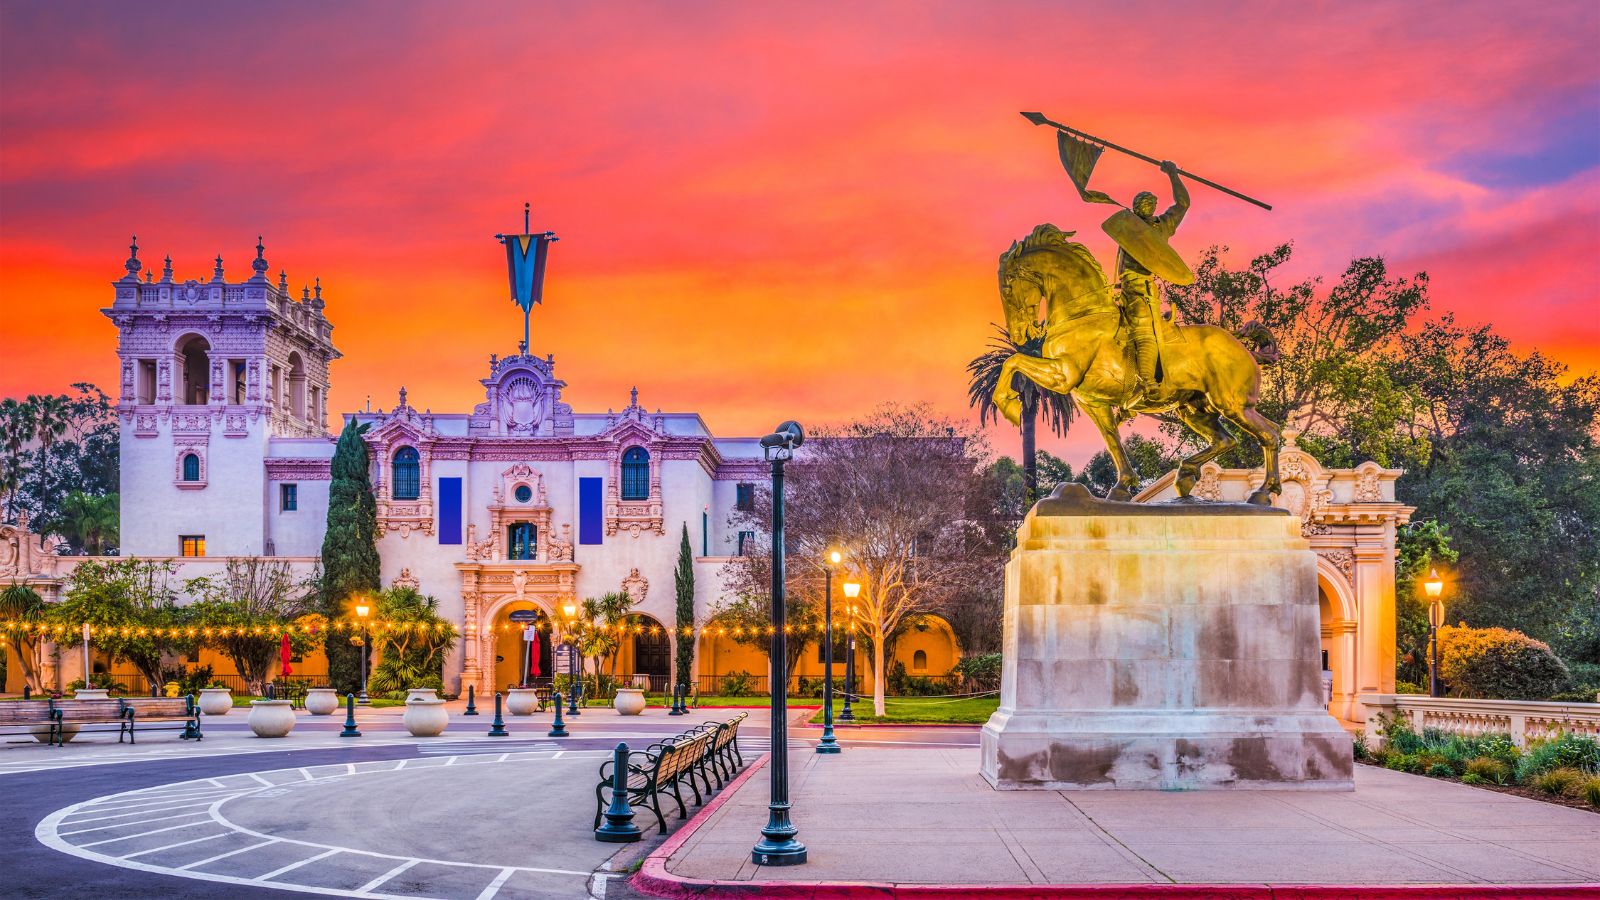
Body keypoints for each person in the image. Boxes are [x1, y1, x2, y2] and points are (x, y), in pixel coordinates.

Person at [1114, 161, 1190, 396]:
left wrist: (1173, 174)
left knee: (1142, 326)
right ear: (1135, 207)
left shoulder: (1160, 227)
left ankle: (1147, 381)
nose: (1148, 206)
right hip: (1121, 286)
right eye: (1143, 203)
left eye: (1151, 203)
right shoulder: (1127, 226)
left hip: (1141, 288)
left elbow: (1183, 204)